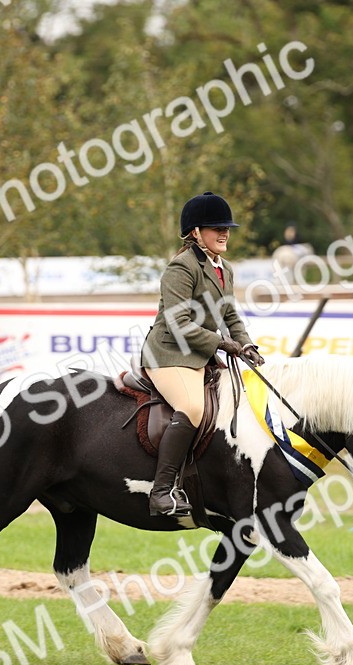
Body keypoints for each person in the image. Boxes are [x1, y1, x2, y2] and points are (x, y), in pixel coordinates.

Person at [139, 191, 265, 516]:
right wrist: (223, 344)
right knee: (193, 406)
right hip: (168, 354)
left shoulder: (225, 268)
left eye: (226, 227)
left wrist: (246, 344)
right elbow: (177, 323)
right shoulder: (180, 268)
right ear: (195, 232)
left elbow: (230, 315)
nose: (224, 233)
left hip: (201, 355)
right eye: (215, 227)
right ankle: (161, 491)